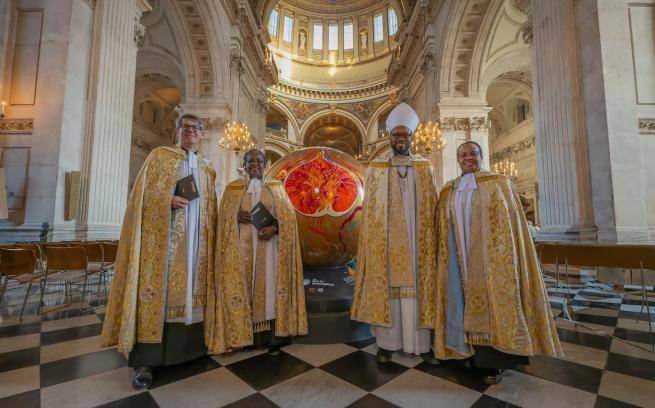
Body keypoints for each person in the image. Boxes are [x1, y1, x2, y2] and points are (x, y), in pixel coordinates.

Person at [101, 114, 218, 389]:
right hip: (164, 245)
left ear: (202, 135)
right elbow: (141, 196)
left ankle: (189, 352)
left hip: (197, 247)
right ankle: (147, 362)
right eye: (186, 127)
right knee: (157, 300)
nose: (191, 132)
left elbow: (212, 208)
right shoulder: (159, 157)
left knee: (192, 297)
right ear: (177, 131)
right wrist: (167, 199)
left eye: (196, 129)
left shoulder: (207, 169)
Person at [433, 141, 562, 384]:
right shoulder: (449, 189)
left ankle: (492, 361)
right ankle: (463, 351)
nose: (468, 158)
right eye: (463, 154)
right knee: (458, 301)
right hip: (458, 261)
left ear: (482, 157)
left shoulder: (498, 184)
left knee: (494, 305)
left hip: (491, 260)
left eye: (473, 153)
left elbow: (511, 226)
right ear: (457, 159)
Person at [351, 103, 439, 364]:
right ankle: (387, 344)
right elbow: (370, 212)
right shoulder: (376, 169)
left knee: (418, 289)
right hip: (386, 243)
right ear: (389, 138)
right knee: (388, 290)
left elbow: (431, 205)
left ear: (412, 137)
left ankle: (420, 344)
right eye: (395, 136)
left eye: (405, 135)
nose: (400, 140)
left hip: (417, 242)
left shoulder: (425, 168)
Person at [210, 149, 307, 354]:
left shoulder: (276, 188)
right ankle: (241, 336)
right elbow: (222, 220)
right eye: (250, 161)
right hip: (240, 250)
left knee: (270, 290)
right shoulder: (233, 189)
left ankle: (272, 338)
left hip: (270, 250)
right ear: (244, 164)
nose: (255, 164)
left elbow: (289, 220)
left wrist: (275, 228)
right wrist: (234, 217)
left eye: (259, 161)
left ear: (265, 164)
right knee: (242, 287)